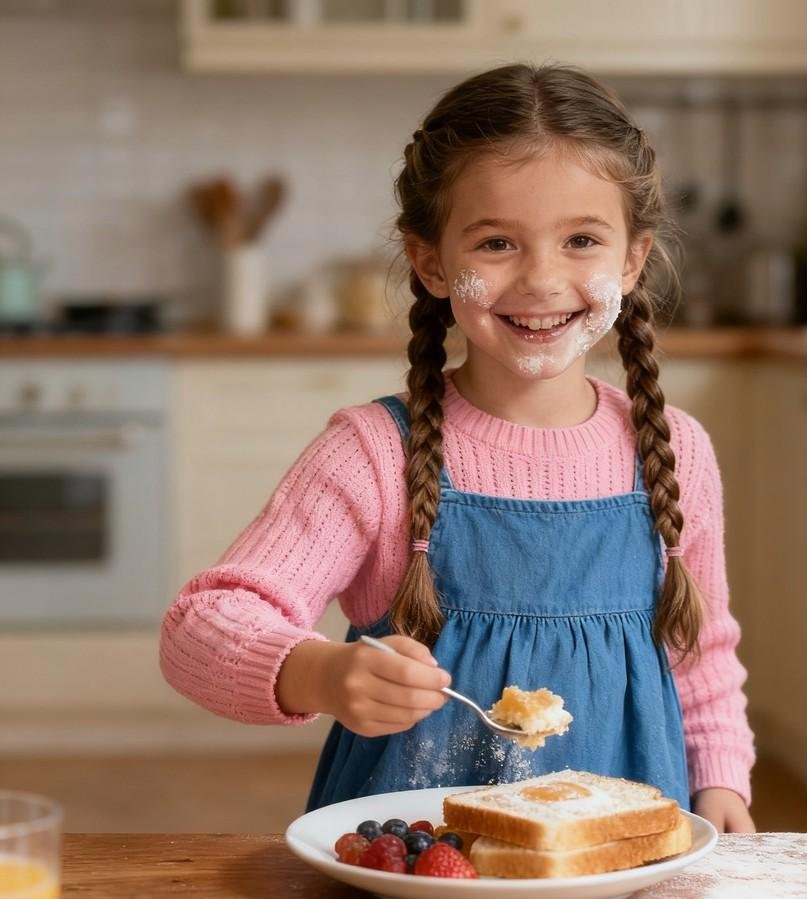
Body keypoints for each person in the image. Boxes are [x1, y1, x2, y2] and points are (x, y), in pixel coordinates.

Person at [160, 63, 756, 834]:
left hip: (627, 860)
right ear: (431, 261)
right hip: (413, 869)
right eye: (498, 242)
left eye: (581, 239)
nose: (542, 279)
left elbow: (700, 655)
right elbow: (200, 625)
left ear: (632, 261)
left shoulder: (674, 450)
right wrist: (321, 673)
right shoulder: (374, 454)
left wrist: (722, 789)